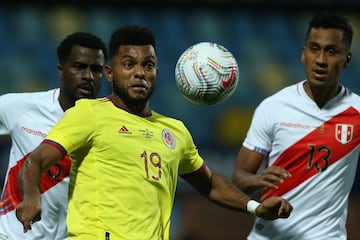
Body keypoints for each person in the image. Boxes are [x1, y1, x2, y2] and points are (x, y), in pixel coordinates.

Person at [15, 25, 292, 240]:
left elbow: (209, 184)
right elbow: (35, 161)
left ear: (157, 71)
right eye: (128, 64)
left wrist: (255, 207)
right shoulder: (89, 113)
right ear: (110, 73)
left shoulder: (174, 131)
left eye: (147, 65)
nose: (139, 73)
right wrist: (31, 197)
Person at [232, 12, 359, 240]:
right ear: (303, 54)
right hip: (267, 235)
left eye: (331, 51)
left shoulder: (357, 112)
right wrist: (257, 180)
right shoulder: (273, 107)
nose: (320, 59)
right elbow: (240, 177)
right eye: (314, 48)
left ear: (346, 59)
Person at [0, 32, 107, 239]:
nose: (88, 76)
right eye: (79, 67)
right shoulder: (21, 108)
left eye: (96, 69)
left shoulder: (108, 125)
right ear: (61, 70)